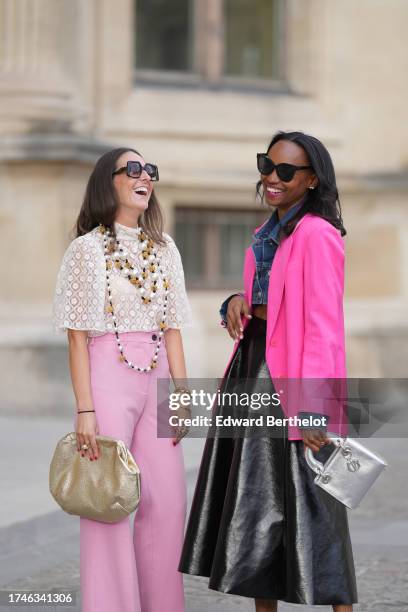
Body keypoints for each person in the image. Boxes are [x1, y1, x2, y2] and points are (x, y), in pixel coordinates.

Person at [179, 131, 358, 612]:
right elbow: (265, 299)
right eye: (267, 165)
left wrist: (316, 407)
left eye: (285, 171)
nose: (271, 177)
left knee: (315, 499)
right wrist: (234, 303)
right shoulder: (269, 231)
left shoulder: (317, 235)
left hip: (292, 377)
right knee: (254, 500)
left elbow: (324, 328)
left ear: (311, 179)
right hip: (253, 365)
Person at [53, 147, 192, 612]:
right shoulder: (87, 249)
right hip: (107, 373)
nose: (144, 176)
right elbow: (77, 339)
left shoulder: (164, 248)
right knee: (107, 500)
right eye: (132, 169)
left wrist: (182, 393)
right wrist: (85, 411)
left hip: (156, 376)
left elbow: (172, 326)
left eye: (149, 170)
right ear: (106, 182)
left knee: (169, 504)